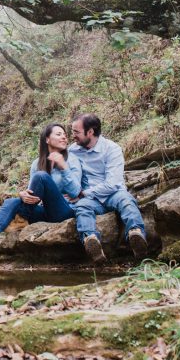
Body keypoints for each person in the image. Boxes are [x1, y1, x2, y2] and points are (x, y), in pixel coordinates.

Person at [0, 123, 83, 257]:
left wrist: (63, 166)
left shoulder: (72, 159)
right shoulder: (37, 163)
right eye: (59, 134)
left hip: (64, 210)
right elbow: (33, 192)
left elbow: (75, 192)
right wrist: (22, 194)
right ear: (47, 139)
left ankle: (21, 218)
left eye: (65, 135)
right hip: (44, 212)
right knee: (12, 201)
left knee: (41, 176)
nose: (64, 138)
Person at [68, 113, 148, 264]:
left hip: (113, 193)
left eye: (76, 132)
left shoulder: (112, 149)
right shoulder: (72, 151)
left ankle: (136, 235)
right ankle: (91, 242)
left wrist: (84, 193)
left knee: (126, 201)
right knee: (82, 208)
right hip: (90, 200)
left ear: (90, 132)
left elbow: (112, 184)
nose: (73, 136)